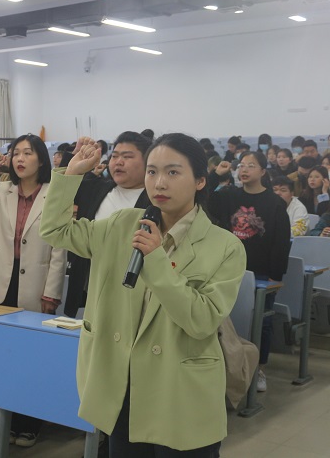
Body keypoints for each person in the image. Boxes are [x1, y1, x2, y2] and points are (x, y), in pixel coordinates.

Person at [40, 134, 246, 456]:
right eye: (152, 171)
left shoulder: (225, 246)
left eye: (173, 172)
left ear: (200, 180)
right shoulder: (123, 224)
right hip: (123, 385)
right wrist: (72, 175)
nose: (159, 182)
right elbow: (55, 231)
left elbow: (202, 320)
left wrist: (156, 261)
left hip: (179, 391)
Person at [0, 133, 66, 445]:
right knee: (1, 354)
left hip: (35, 285)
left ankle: (29, 422)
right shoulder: (0, 191)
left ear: (41, 160)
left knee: (31, 357)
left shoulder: (54, 194)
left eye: (28, 153)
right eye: (16, 153)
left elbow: (59, 248)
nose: (20, 158)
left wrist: (52, 292)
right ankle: (4, 418)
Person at [208, 151, 291, 392]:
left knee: (262, 322)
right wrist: (216, 175)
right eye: (242, 165)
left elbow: (280, 242)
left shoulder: (274, 203)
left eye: (251, 165)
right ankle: (230, 365)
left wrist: (276, 276)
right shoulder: (229, 196)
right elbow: (203, 198)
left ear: (263, 171)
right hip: (229, 270)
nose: (244, 169)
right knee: (228, 320)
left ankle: (259, 369)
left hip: (262, 274)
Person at [63, 131, 152, 317]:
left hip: (130, 292)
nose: (118, 162)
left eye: (127, 157)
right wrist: (75, 157)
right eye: (115, 156)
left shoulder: (154, 202)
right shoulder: (95, 189)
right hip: (89, 285)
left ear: (147, 162)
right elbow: (61, 191)